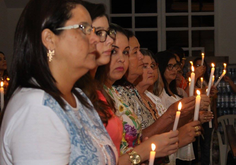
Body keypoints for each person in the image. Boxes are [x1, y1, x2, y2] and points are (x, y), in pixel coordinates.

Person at [0, 0, 118, 164]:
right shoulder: (37, 110)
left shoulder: (79, 97)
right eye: (84, 28)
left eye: (92, 29)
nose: (95, 39)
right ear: (49, 39)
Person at [96, 23, 179, 165]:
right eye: (114, 51)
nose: (122, 59)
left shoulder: (113, 92)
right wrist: (142, 152)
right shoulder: (95, 95)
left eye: (126, 52)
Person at [79, 1, 123, 154]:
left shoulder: (97, 88)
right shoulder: (75, 92)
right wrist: (139, 155)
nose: (110, 41)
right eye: (98, 32)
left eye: (108, 32)